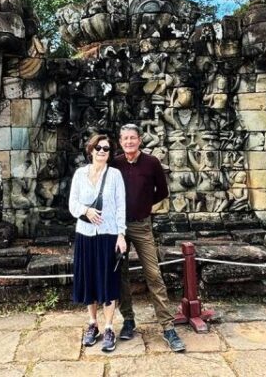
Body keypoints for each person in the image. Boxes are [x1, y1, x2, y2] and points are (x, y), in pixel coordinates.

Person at [111, 123, 186, 352]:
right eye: (125, 139)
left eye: (133, 138)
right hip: (118, 226)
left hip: (142, 225)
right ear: (121, 141)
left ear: (140, 140)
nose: (129, 142)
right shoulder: (115, 163)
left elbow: (162, 192)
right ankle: (128, 320)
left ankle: (167, 326)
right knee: (120, 275)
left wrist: (144, 205)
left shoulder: (151, 162)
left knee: (154, 274)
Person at [69, 133, 127, 353]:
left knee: (108, 281)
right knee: (89, 280)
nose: (102, 152)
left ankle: (110, 327)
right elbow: (72, 204)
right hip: (85, 233)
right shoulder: (79, 174)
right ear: (90, 150)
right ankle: (93, 323)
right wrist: (86, 210)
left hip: (108, 233)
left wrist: (121, 235)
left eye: (106, 149)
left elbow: (121, 206)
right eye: (99, 148)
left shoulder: (115, 175)